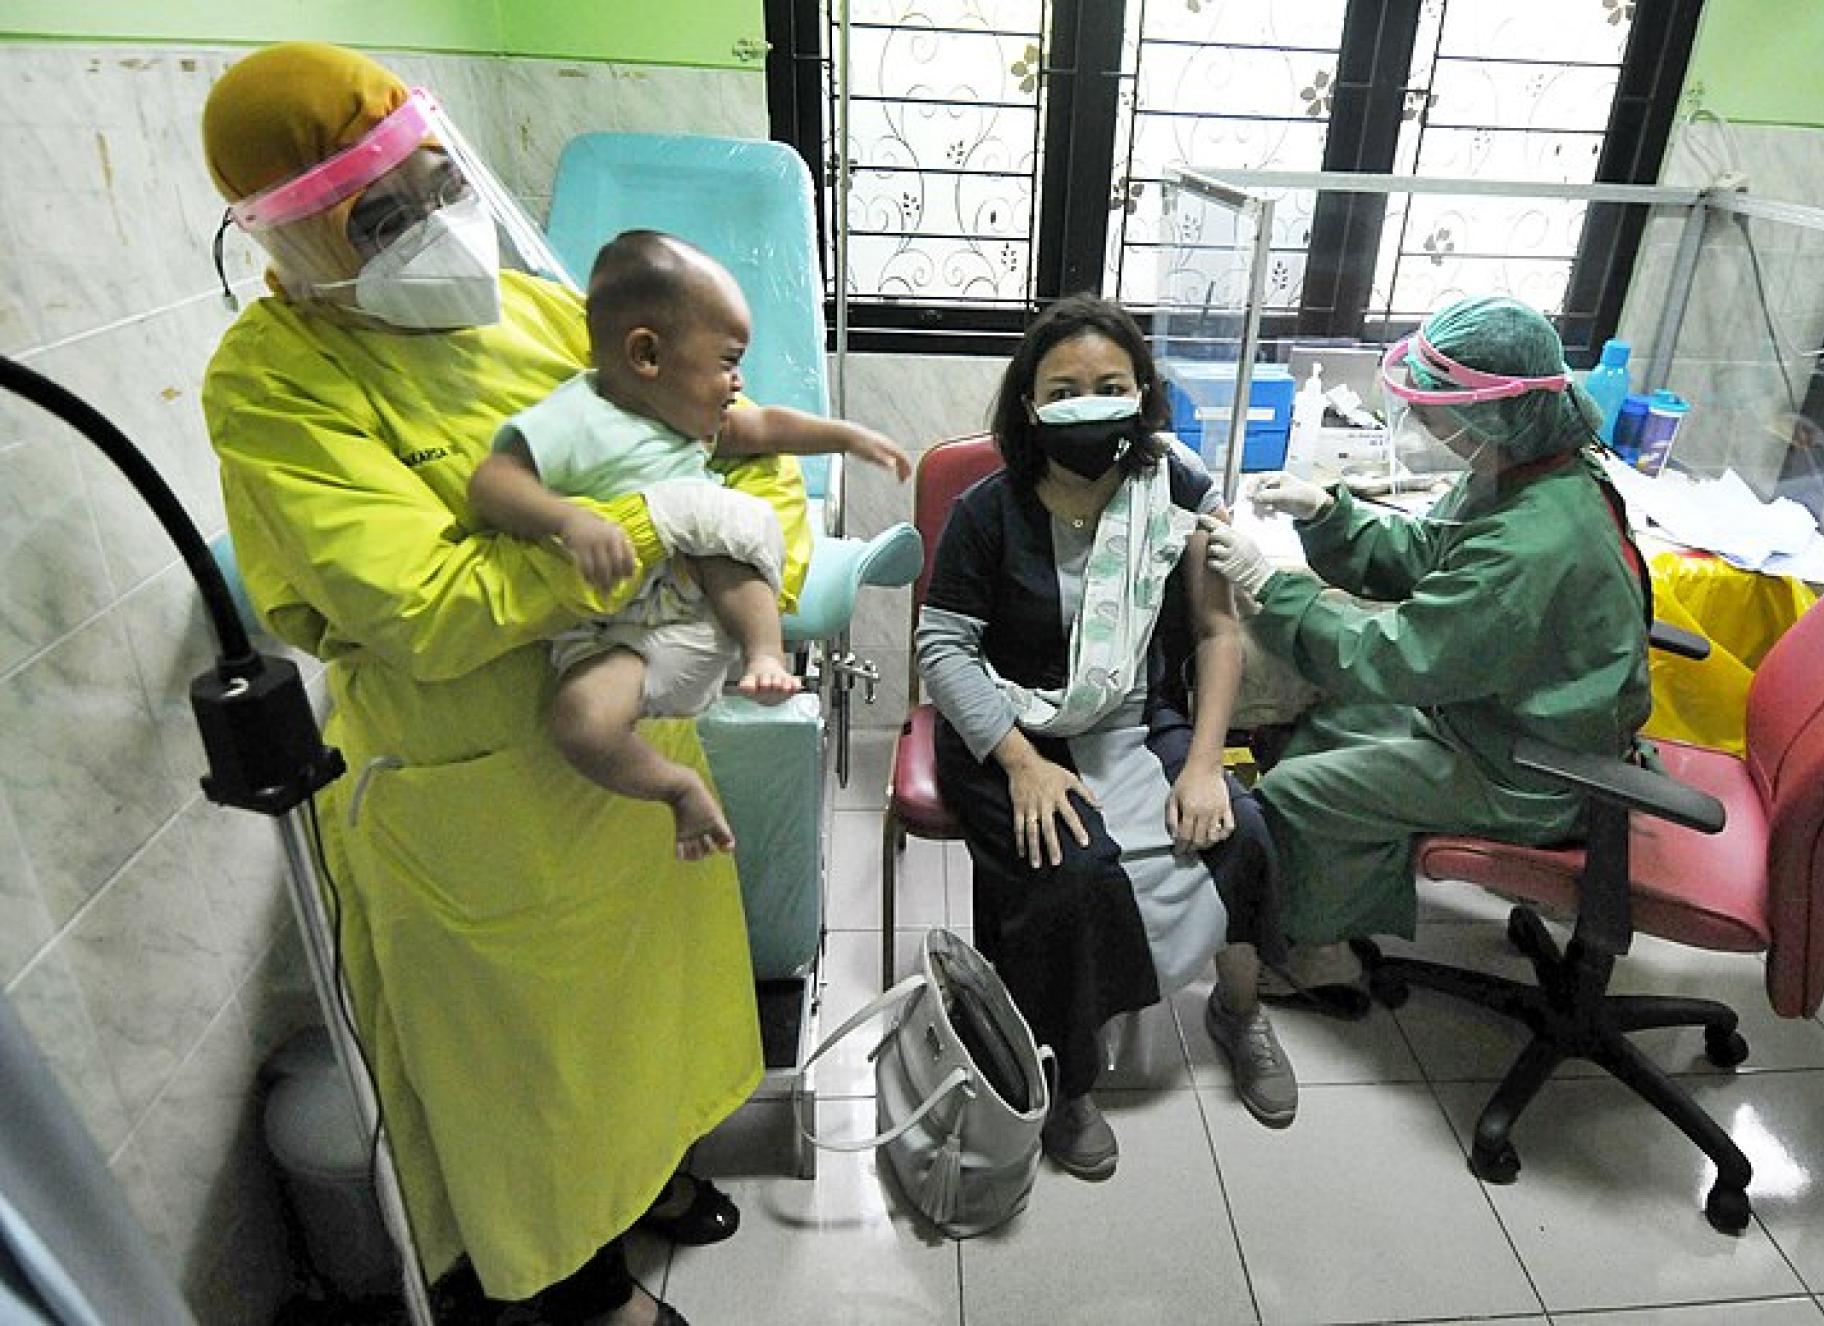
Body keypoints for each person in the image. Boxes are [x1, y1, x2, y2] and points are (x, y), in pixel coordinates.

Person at [198, 42, 793, 1325]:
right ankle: (579, 1285)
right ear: (291, 239)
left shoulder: (528, 312)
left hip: (632, 756)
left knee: (655, 1015)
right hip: (480, 801)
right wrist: (653, 531)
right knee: (531, 1082)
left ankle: (651, 1184)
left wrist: (750, 550)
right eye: (383, 215)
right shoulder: (276, 386)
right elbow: (420, 608)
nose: (437, 231)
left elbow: (731, 450)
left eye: (440, 186)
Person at [916, 294, 1298, 1181]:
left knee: (1245, 830)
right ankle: (1068, 1074)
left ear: (1143, 394)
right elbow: (943, 649)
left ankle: (1238, 1013)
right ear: (1029, 404)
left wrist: (1204, 766)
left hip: (1136, 715)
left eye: (1110, 385)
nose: (1089, 403)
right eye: (1064, 388)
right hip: (1007, 727)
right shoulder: (988, 511)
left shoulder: (1176, 492)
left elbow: (1215, 634)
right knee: (1072, 876)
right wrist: (1018, 763)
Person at [1199, 295, 1654, 1001]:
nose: (1429, 428)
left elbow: (1395, 654)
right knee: (1324, 725)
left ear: (1493, 413)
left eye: (1438, 414)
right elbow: (1430, 554)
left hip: (1532, 768)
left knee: (1296, 791)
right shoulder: (1531, 473)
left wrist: (1270, 585)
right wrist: (1331, 516)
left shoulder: (1531, 544)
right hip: (1496, 716)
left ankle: (1320, 959)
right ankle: (1342, 904)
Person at [469, 229, 909, 858]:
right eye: (728, 362)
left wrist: (846, 435)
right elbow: (494, 480)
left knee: (724, 527)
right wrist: (568, 521)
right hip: (612, 634)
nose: (737, 384)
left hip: (691, 616)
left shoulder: (692, 425)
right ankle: (677, 790)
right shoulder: (576, 417)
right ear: (647, 356)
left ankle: (765, 654)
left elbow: (765, 427)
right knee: (580, 724)